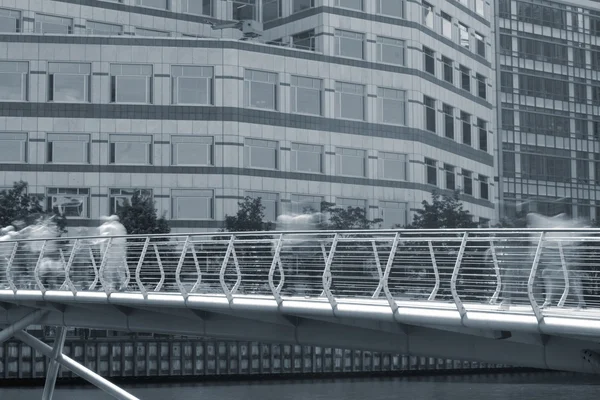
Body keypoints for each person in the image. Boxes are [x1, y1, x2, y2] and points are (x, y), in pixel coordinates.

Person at [96, 215, 128, 292]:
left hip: (111, 251)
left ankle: (110, 287)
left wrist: (95, 243)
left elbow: (104, 238)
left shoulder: (108, 226)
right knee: (119, 269)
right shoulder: (121, 227)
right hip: (121, 252)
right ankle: (122, 285)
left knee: (107, 269)